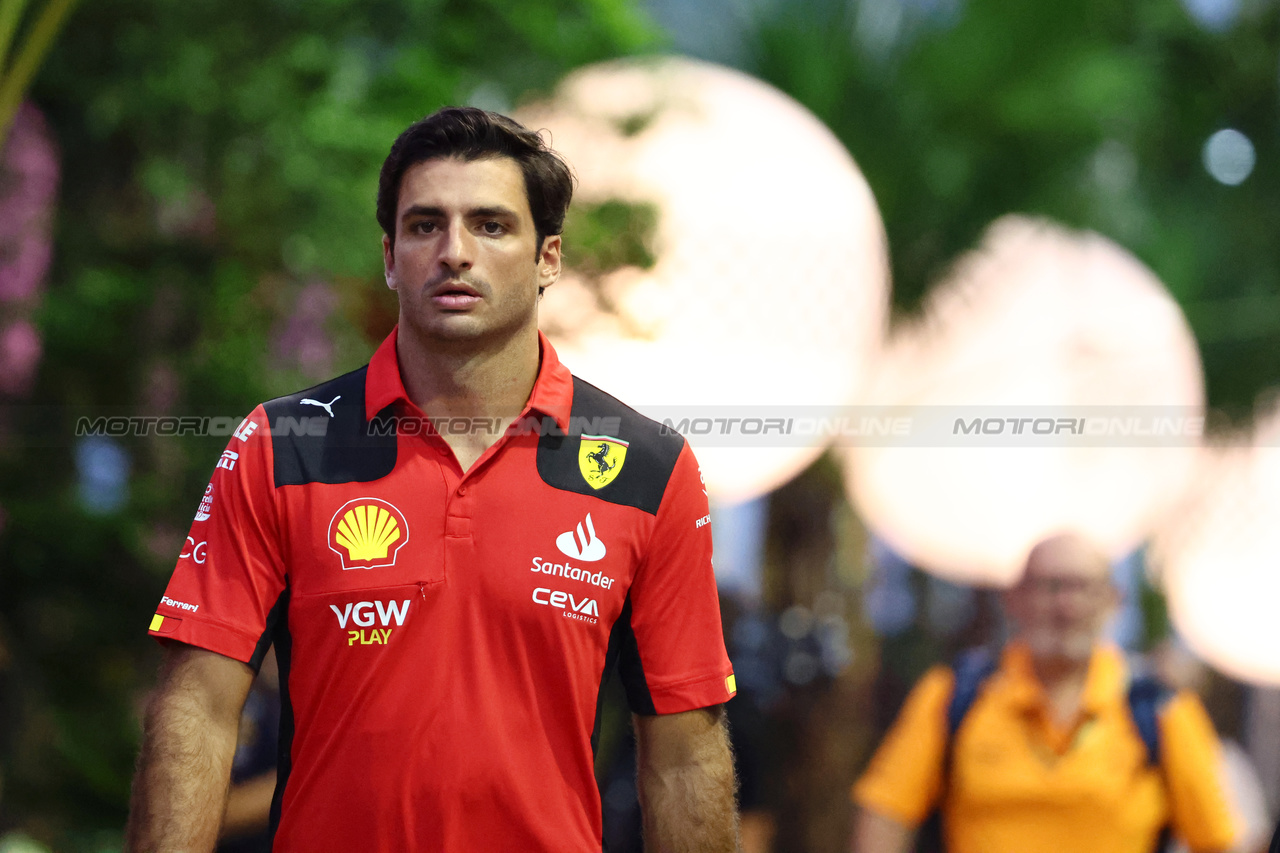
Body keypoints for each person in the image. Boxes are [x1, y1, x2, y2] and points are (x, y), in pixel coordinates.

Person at [125, 107, 739, 853]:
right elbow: (197, 709)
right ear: (389, 255)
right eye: (424, 226)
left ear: (548, 257)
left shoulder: (647, 469)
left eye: (490, 225)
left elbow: (683, 752)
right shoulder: (283, 445)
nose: (455, 252)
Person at [850, 532, 1239, 853]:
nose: (1065, 606)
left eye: (1082, 587)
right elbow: (885, 813)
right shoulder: (955, 696)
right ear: (1014, 600)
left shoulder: (1161, 711)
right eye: (1049, 586)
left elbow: (1218, 840)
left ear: (1112, 602)